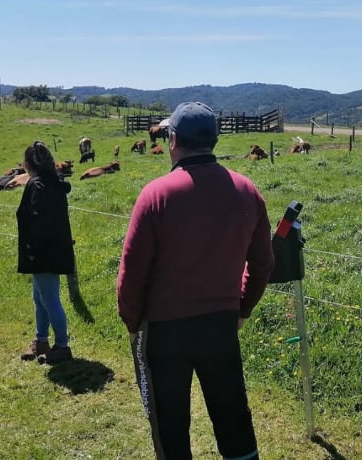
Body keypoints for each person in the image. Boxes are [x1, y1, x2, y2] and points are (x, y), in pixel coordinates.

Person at [117, 101, 274, 459]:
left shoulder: (155, 195)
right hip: (220, 324)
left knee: (170, 423)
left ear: (173, 139)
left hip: (164, 329)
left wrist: (132, 321)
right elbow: (263, 264)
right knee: (233, 414)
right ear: (215, 140)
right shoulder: (247, 190)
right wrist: (242, 310)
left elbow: (132, 271)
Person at [17, 141, 75, 365]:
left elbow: (36, 222)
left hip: (42, 253)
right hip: (56, 249)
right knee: (40, 298)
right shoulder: (54, 184)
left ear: (29, 163)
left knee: (49, 299)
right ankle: (41, 340)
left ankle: (62, 345)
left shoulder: (37, 186)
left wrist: (32, 250)